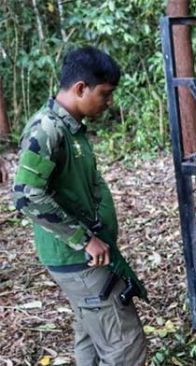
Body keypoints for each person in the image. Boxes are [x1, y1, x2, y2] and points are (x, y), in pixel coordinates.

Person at [12, 47, 146, 365]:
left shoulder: (69, 128)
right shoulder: (47, 130)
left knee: (90, 336)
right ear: (80, 88)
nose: (109, 102)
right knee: (126, 347)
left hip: (84, 258)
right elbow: (26, 195)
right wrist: (84, 239)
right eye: (105, 94)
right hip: (79, 260)